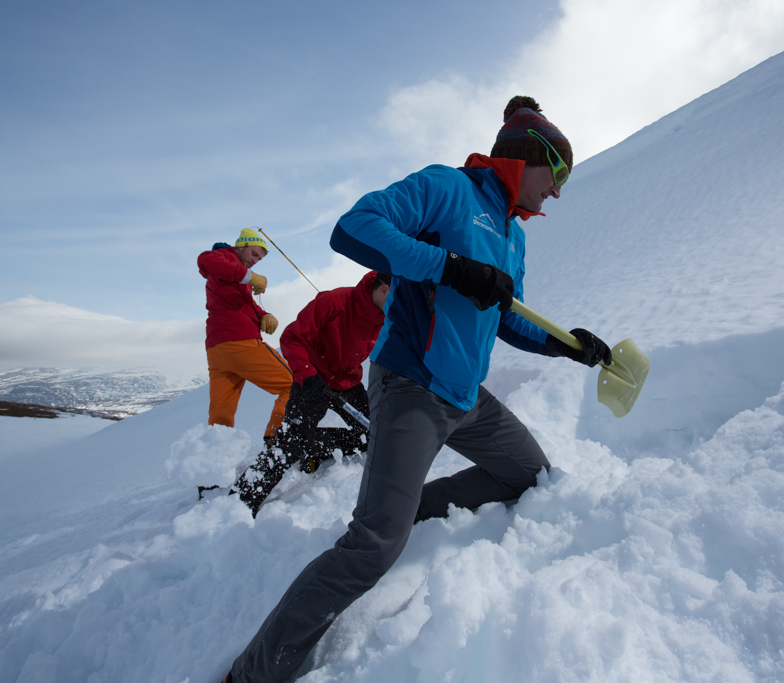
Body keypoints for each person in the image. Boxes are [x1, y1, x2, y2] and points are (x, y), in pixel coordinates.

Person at [223, 96, 610, 683]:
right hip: (412, 387)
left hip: (466, 398)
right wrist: (449, 266)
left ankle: (414, 510)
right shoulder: (447, 189)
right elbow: (352, 227)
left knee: (529, 474)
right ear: (529, 157)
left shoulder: (514, 234)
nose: (557, 193)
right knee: (373, 547)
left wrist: (566, 343)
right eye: (558, 175)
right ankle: (251, 673)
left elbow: (506, 314)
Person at [232, 270, 391, 515]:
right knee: (289, 442)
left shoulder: (385, 316)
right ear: (385, 290)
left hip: (347, 381)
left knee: (374, 435)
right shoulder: (334, 302)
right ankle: (240, 500)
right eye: (398, 298)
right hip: (313, 380)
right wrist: (308, 376)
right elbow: (291, 337)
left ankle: (313, 447)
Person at [197, 228, 292, 447]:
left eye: (259, 259)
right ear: (241, 246)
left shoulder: (232, 274)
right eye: (254, 254)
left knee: (222, 409)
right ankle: (277, 439)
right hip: (241, 343)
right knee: (294, 383)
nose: (255, 261)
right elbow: (205, 260)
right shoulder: (222, 259)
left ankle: (214, 464)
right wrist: (249, 277)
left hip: (217, 349)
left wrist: (264, 315)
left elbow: (243, 306)